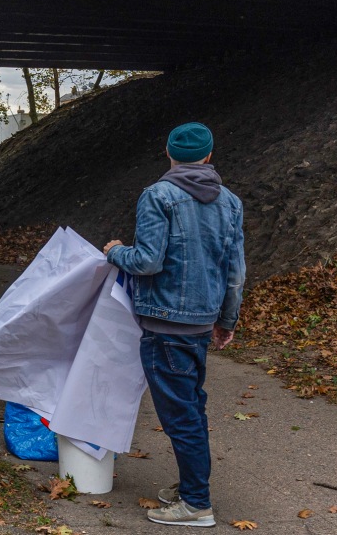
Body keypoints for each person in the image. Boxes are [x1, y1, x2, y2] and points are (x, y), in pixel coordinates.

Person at [102, 122, 245, 528]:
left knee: (180, 415)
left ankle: (197, 503)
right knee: (191, 407)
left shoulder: (158, 196)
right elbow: (235, 271)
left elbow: (147, 261)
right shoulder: (231, 202)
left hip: (165, 323)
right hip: (200, 321)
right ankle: (190, 488)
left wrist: (115, 252)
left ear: (168, 153)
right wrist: (226, 319)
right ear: (209, 156)